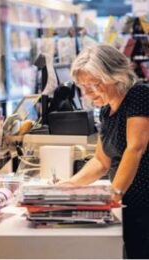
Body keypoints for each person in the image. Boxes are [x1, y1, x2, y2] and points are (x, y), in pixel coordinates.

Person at [61, 43, 149, 259]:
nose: (87, 93)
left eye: (93, 84)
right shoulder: (107, 109)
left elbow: (135, 148)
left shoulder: (139, 95)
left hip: (144, 205)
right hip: (127, 206)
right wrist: (69, 186)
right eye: (82, 86)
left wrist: (115, 193)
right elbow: (101, 161)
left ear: (114, 75)